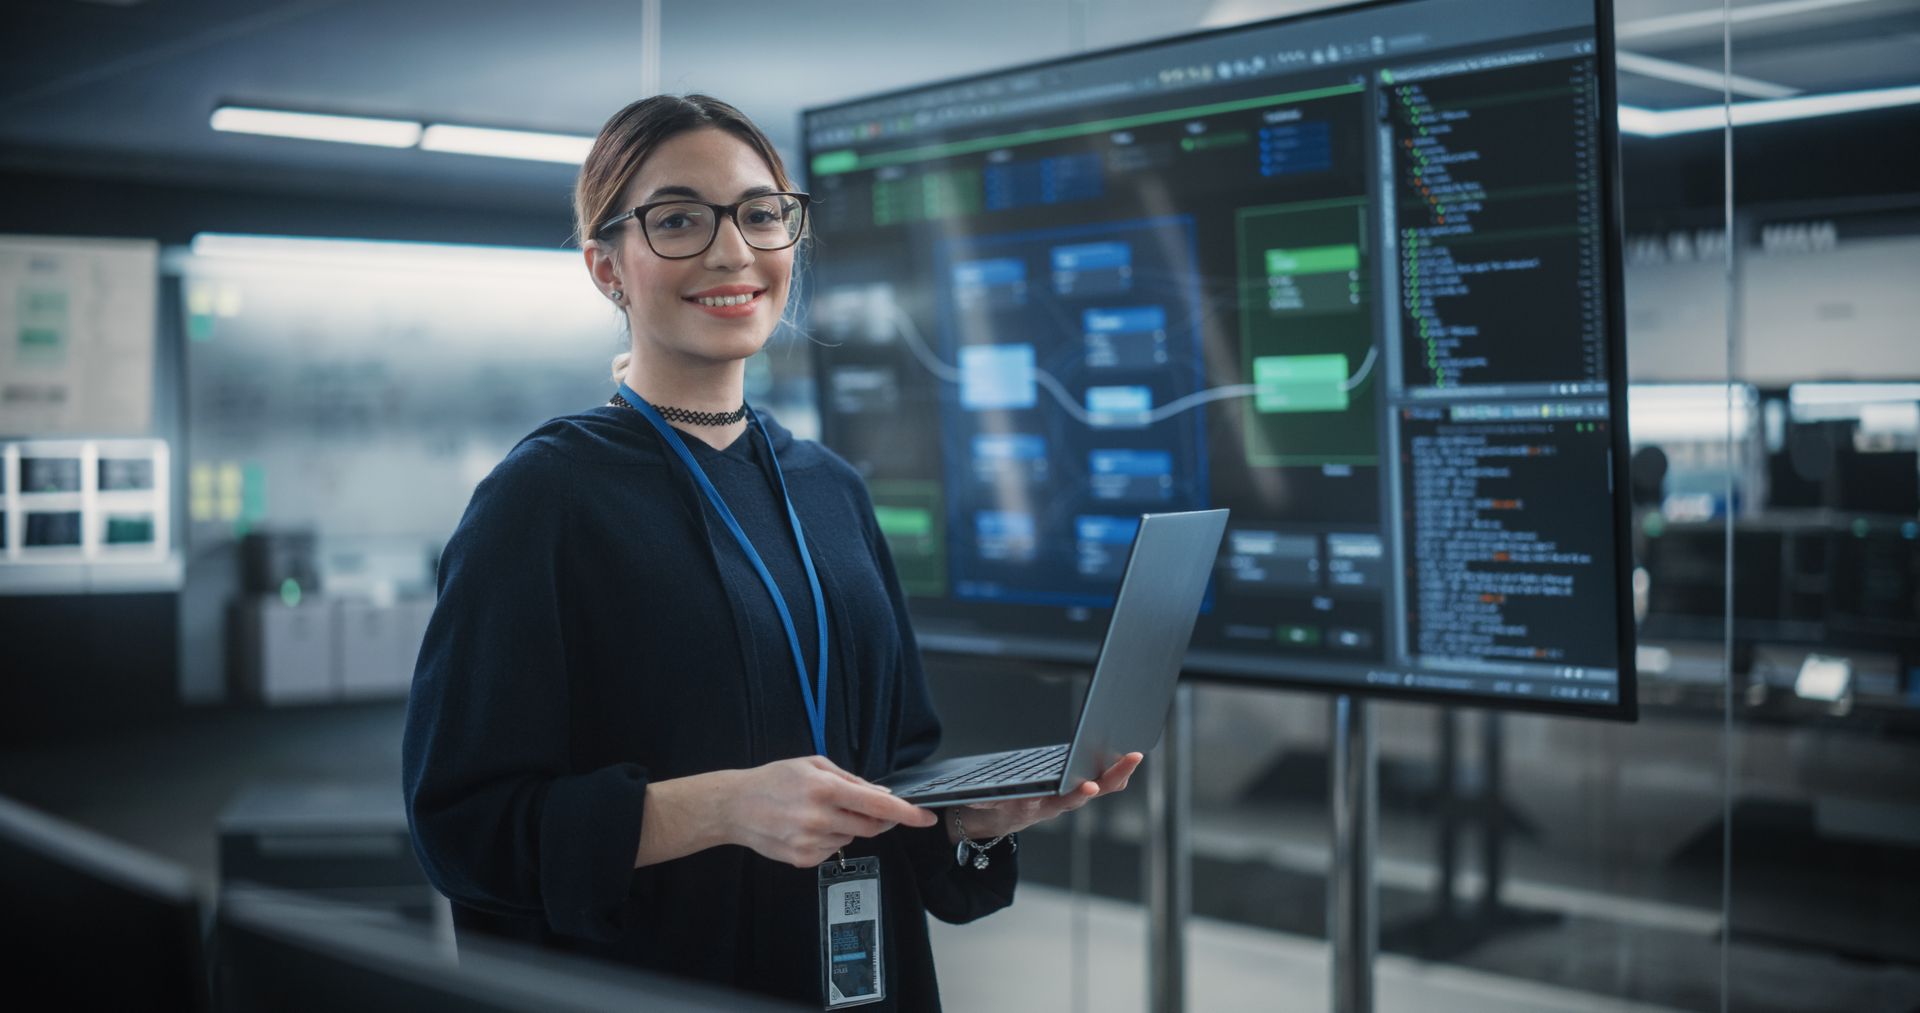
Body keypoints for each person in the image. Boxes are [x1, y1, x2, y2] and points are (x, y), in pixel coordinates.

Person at [401, 93, 1142, 1010]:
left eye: (760, 214)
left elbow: (898, 763)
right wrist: (718, 807)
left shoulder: (831, 489)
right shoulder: (542, 500)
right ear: (607, 269)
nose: (732, 251)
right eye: (678, 220)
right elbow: (464, 830)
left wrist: (966, 820)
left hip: (861, 978)